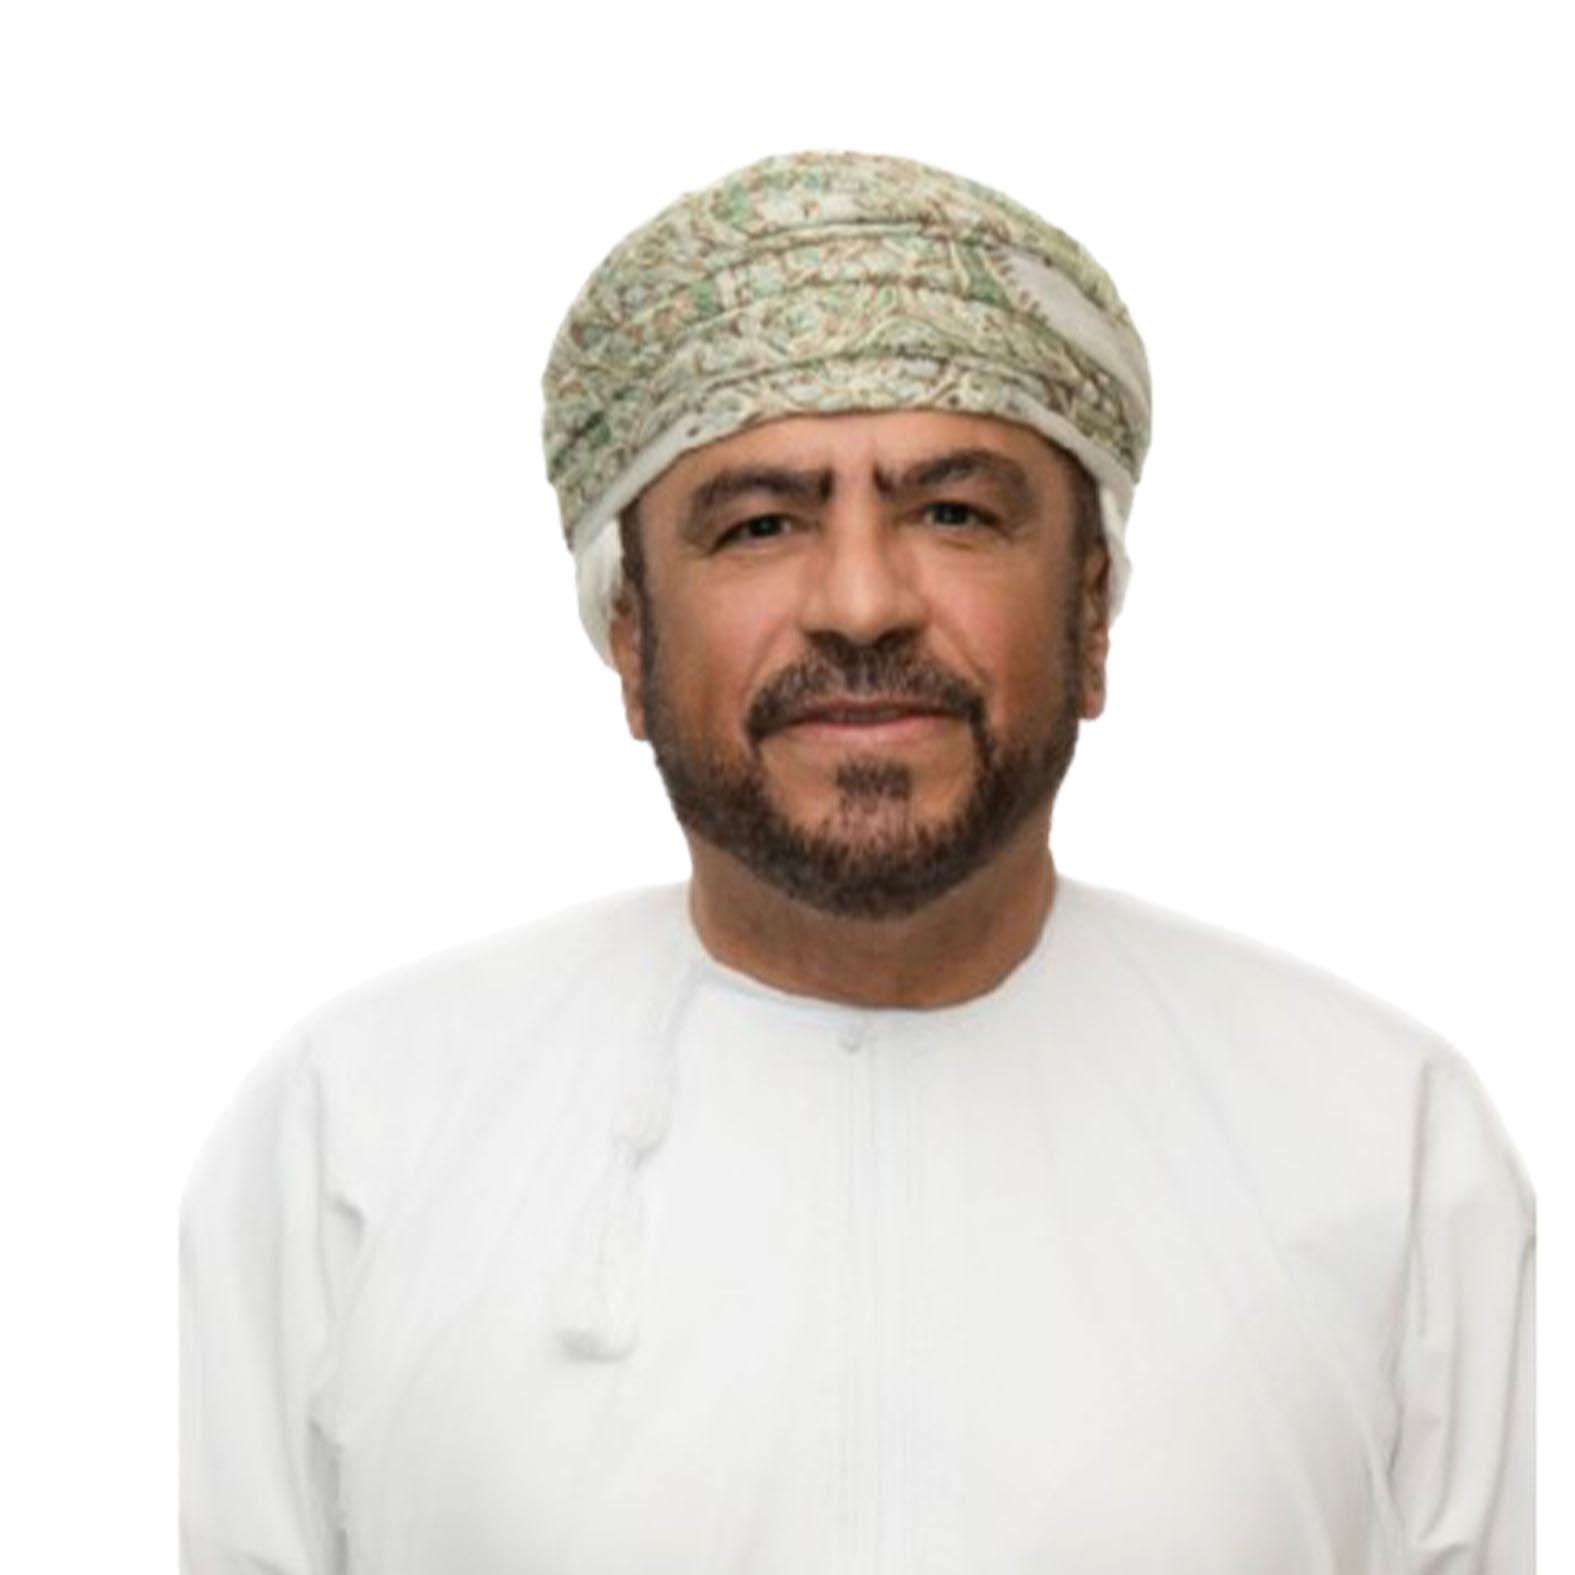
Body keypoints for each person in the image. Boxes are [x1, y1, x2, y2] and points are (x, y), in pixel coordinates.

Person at [180, 152, 1534, 1574]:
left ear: (1090, 612)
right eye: (760, 523)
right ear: (631, 641)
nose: (861, 601)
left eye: (952, 511)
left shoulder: (1383, 1146)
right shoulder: (353, 1141)